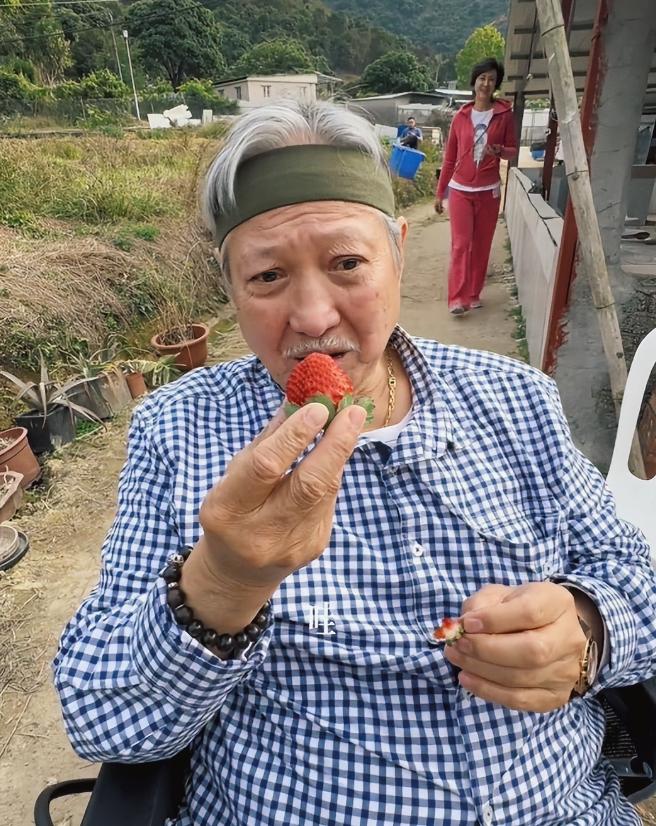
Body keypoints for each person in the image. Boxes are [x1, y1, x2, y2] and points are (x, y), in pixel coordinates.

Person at [54, 100, 656, 826]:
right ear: (229, 288)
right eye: (267, 277)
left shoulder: (517, 398)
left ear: (399, 251)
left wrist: (589, 631)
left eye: (347, 264)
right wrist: (219, 586)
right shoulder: (178, 430)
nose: (311, 316)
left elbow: (637, 581)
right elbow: (99, 716)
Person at [435, 58, 518, 315]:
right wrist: (440, 193)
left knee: (481, 245)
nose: (486, 83)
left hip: (489, 192)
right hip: (460, 190)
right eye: (482, 78)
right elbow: (449, 158)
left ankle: (473, 293)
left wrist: (500, 150)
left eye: (491, 79)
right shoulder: (460, 117)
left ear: (496, 84)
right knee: (461, 244)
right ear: (474, 81)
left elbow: (513, 151)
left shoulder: (504, 115)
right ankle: (457, 298)